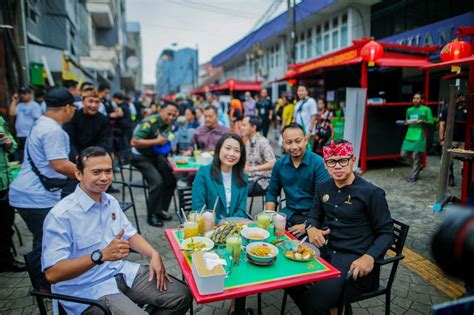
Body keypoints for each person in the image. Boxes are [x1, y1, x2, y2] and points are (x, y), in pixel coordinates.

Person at [41, 146, 192, 315]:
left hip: (119, 272)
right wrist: (100, 255)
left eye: (108, 171)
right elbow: (52, 274)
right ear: (78, 174)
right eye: (96, 172)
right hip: (87, 288)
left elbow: (130, 234)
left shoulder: (110, 201)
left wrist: (153, 254)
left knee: (182, 294)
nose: (104, 178)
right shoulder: (61, 216)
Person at [287, 139, 394, 314]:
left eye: (343, 160)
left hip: (356, 264)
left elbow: (387, 233)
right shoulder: (323, 188)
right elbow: (314, 216)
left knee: (313, 302)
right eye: (331, 161)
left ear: (353, 159)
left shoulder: (371, 193)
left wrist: (370, 257)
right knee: (289, 280)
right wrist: (311, 228)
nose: (337, 166)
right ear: (325, 164)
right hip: (326, 254)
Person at [9, 87, 77, 286]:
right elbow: (59, 164)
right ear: (66, 108)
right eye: (73, 106)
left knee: (44, 238)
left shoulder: (41, 123)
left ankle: (45, 283)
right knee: (46, 241)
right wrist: (88, 175)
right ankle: (43, 286)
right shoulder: (52, 130)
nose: (74, 110)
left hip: (29, 192)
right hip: (35, 196)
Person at [265, 123, 330, 236]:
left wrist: (308, 224)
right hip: (288, 214)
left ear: (305, 140)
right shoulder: (279, 164)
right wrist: (270, 216)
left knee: (303, 249)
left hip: (313, 217)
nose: (294, 147)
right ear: (283, 144)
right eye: (289, 142)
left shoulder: (318, 163)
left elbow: (323, 199)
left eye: (298, 141)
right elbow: (272, 192)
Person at [131, 103, 179, 227]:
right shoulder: (149, 122)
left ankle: (160, 211)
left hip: (155, 154)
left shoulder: (169, 123)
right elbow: (134, 142)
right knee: (157, 182)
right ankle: (151, 215)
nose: (172, 117)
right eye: (169, 114)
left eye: (174, 115)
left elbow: (165, 138)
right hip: (139, 156)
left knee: (170, 180)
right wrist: (156, 141)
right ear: (161, 110)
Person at [192, 134, 249, 219]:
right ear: (219, 149)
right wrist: (220, 223)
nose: (232, 154)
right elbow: (198, 209)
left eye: (237, 150)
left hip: (234, 227)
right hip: (209, 228)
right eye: (228, 148)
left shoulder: (243, 177)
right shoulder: (204, 173)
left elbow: (241, 210)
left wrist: (230, 225)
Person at [0, 118, 26, 272]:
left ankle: (6, 260)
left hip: (5, 181)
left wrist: (8, 143)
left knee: (5, 225)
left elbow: (12, 145)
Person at [64, 87, 111, 159]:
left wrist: (94, 157)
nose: (93, 105)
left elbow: (104, 141)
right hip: (75, 156)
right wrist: (77, 157)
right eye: (90, 101)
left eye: (97, 102)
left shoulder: (103, 119)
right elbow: (69, 140)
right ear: (83, 102)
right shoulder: (73, 116)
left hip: (95, 157)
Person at [400, 92, 434, 182]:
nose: (415, 100)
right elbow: (406, 120)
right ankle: (418, 166)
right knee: (403, 154)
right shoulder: (409, 110)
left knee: (416, 156)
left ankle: (414, 176)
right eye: (414, 98)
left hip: (420, 135)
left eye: (417, 98)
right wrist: (406, 122)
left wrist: (423, 121)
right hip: (409, 134)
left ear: (422, 100)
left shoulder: (426, 109)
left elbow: (431, 121)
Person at [240, 116, 276, 195]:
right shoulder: (248, 141)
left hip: (262, 181)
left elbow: (273, 163)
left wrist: (253, 168)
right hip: (250, 178)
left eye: (244, 125)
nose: (241, 127)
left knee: (238, 191)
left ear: (253, 127)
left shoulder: (262, 142)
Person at [439, 91, 467, 186]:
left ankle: (465, 181)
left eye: (460, 97)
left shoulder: (467, 110)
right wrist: (442, 139)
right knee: (448, 161)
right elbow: (442, 125)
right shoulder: (447, 110)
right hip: (450, 139)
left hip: (463, 140)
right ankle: (450, 176)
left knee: (465, 162)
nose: (459, 99)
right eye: (457, 97)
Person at [8, 86, 42, 162]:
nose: (22, 95)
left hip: (29, 133)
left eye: (24, 93)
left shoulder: (34, 105)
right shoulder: (20, 105)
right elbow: (11, 113)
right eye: (21, 93)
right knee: (22, 152)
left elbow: (38, 119)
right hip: (20, 134)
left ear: (30, 94)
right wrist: (14, 101)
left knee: (30, 153)